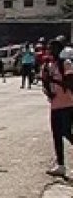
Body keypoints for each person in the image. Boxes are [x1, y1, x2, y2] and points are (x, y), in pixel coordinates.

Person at [44, 38, 73, 177]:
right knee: (56, 135)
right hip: (55, 105)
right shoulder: (50, 65)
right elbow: (47, 85)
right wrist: (48, 89)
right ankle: (60, 165)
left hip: (68, 104)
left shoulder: (65, 64)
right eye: (50, 48)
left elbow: (69, 84)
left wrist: (54, 80)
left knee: (66, 132)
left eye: (53, 48)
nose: (51, 51)